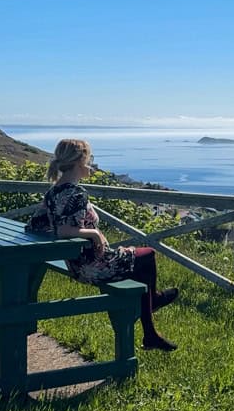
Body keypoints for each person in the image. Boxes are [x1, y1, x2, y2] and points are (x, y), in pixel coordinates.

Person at [27, 139, 178, 351]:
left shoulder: (54, 191)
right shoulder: (76, 193)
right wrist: (95, 234)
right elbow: (64, 230)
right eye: (89, 160)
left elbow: (34, 225)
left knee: (141, 271)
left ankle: (150, 331)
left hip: (75, 263)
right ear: (80, 162)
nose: (91, 165)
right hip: (93, 266)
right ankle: (154, 302)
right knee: (148, 255)